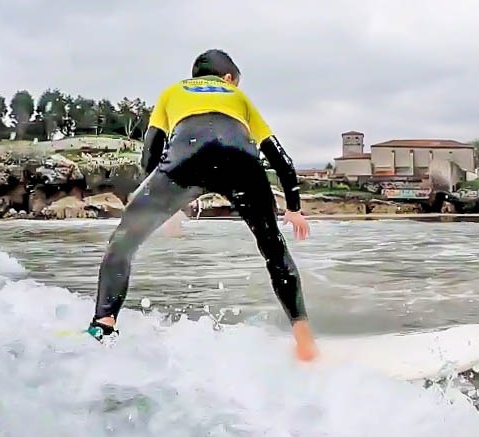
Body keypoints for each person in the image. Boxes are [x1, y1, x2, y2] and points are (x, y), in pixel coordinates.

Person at [86, 49, 318, 362]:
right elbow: (281, 160)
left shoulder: (172, 91)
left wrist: (163, 209)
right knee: (274, 249)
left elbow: (151, 153)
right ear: (228, 79)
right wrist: (293, 207)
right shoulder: (239, 97)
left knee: (122, 243)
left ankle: (103, 326)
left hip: (186, 158)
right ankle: (305, 344)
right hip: (241, 161)